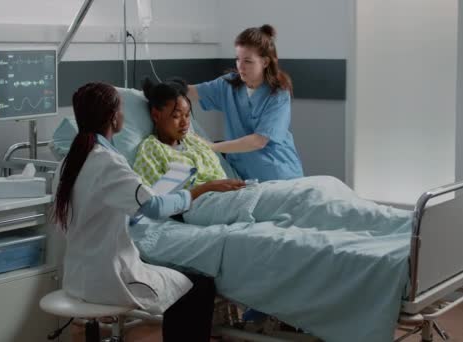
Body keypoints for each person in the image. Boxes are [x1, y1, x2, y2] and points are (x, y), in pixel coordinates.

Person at [51, 82, 244, 341]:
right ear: (113, 117)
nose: (124, 115)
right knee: (198, 286)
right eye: (121, 110)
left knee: (189, 285)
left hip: (78, 276)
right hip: (110, 279)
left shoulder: (68, 162)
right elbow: (154, 206)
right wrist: (198, 191)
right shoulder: (108, 163)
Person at [188, 24, 304, 182]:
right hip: (244, 177)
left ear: (264, 62)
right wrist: (164, 90)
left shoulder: (278, 94)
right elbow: (192, 92)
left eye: (248, 61)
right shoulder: (227, 85)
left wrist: (212, 147)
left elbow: (259, 141)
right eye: (238, 59)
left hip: (279, 174)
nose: (240, 67)